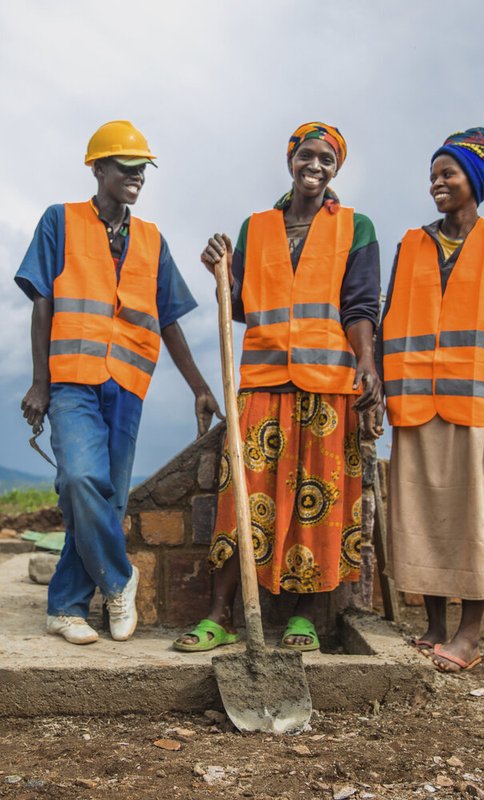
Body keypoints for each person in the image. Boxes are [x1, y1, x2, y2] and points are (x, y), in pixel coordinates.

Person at [175, 121, 382, 653]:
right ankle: (221, 615)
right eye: (307, 156)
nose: (315, 167)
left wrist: (367, 364)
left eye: (327, 161)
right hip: (264, 382)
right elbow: (240, 306)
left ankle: (305, 619)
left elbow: (360, 306)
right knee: (241, 499)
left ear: (337, 169)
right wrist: (219, 272)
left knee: (319, 503)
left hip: (328, 386)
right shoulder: (257, 227)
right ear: (290, 159)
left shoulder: (356, 228)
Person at [16, 120, 220, 646]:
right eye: (126, 168)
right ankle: (120, 577)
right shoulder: (59, 221)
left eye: (143, 169)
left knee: (107, 501)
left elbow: (169, 317)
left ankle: (65, 607)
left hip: (127, 383)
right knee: (80, 482)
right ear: (98, 168)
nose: (137, 177)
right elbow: (43, 302)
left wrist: (198, 385)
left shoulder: (152, 239)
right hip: (71, 381)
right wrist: (39, 382)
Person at [380, 127, 484, 673]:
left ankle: (469, 635)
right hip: (414, 402)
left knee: (474, 521)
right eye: (432, 176)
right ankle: (435, 626)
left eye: (447, 173)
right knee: (422, 516)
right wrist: (377, 388)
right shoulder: (412, 243)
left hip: (476, 407)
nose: (436, 184)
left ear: (475, 179)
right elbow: (387, 321)